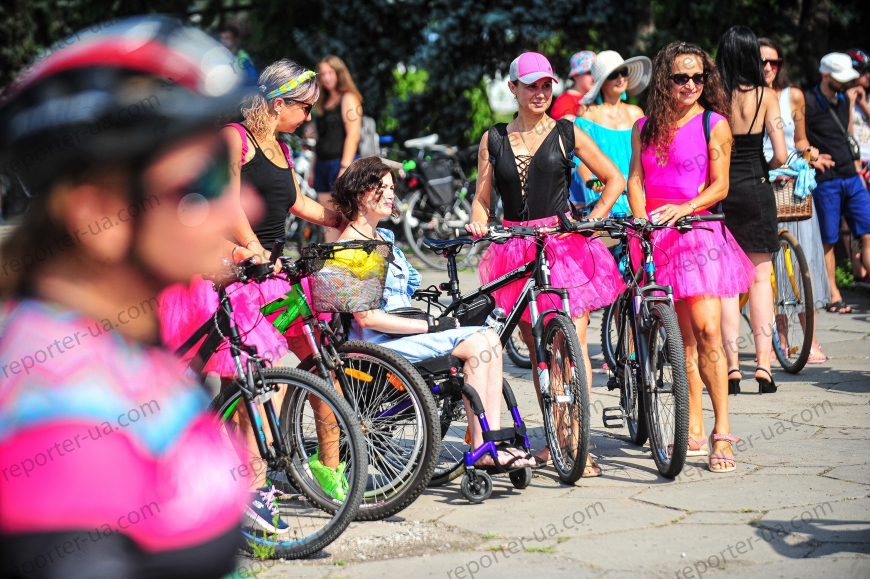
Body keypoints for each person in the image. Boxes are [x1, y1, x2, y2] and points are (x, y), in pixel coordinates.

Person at [0, 16, 247, 577]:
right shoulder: (62, 418)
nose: (242, 210)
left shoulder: (117, 338)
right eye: (201, 186)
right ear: (101, 217)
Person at [157, 58, 348, 528]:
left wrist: (337, 217)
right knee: (241, 380)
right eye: (302, 108)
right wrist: (251, 245)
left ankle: (331, 469)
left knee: (318, 358)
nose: (308, 117)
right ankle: (251, 485)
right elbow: (226, 197)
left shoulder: (280, 147)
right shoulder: (233, 138)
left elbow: (296, 201)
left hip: (272, 273)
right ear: (277, 103)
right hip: (234, 271)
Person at [468, 52, 627, 477]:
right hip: (515, 247)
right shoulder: (494, 139)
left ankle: (579, 441)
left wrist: (591, 222)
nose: (540, 93)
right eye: (531, 85)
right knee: (541, 349)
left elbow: (615, 178)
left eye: (546, 85)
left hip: (563, 247)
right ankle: (557, 436)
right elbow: (483, 200)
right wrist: (478, 221)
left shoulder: (566, 132)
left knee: (570, 346)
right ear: (513, 89)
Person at [333, 157, 533, 468]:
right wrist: (430, 326)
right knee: (481, 342)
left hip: (399, 333)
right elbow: (367, 319)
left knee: (491, 338)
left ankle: (488, 441)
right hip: (378, 344)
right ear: (359, 192)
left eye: (391, 187)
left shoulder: (382, 238)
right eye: (380, 187)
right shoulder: (353, 247)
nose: (389, 194)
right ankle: (483, 448)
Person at [626, 41, 756, 472]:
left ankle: (722, 431)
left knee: (707, 333)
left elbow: (720, 186)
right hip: (657, 238)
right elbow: (637, 179)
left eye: (698, 77)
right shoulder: (644, 127)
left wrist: (684, 208)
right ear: (666, 80)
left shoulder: (713, 124)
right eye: (681, 77)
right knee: (679, 342)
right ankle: (694, 426)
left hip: (698, 234)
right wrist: (642, 220)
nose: (690, 85)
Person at [716, 26, 788, 395]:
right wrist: (769, 168)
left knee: (728, 287)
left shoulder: (715, 97)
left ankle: (731, 368)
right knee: (761, 282)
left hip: (722, 193)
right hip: (757, 189)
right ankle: (763, 366)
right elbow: (780, 153)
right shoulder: (767, 96)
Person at [757, 38, 831, 364]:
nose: (769, 68)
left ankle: (809, 338)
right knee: (770, 266)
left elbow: (800, 140)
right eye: (762, 62)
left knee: (801, 263)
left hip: (793, 187)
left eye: (775, 62)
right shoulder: (745, 98)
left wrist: (809, 156)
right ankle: (780, 339)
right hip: (761, 183)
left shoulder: (793, 96)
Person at [803, 52, 870, 314]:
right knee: (828, 240)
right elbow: (797, 137)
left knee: (867, 234)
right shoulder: (807, 101)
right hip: (826, 181)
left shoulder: (845, 99)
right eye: (841, 79)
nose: (846, 83)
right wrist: (811, 154)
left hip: (852, 178)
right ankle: (833, 294)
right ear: (826, 75)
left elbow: (849, 135)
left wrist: (856, 169)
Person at [575, 50, 651, 216]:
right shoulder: (588, 115)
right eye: (613, 74)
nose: (620, 78)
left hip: (637, 194)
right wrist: (589, 180)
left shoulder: (637, 113)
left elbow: (648, 153)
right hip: (603, 194)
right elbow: (579, 156)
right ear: (601, 82)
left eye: (623, 72)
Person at [309, 55, 363, 220]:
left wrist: (344, 169)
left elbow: (353, 135)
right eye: (322, 74)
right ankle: (331, 246)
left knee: (347, 217)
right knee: (328, 219)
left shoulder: (348, 98)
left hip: (340, 163)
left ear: (339, 73)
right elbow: (321, 140)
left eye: (330, 72)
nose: (326, 77)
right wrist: (312, 168)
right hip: (322, 164)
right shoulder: (323, 102)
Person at [552, 51, 596, 122]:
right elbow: (569, 130)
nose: (594, 77)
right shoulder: (565, 101)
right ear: (575, 75)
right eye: (589, 72)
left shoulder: (598, 97)